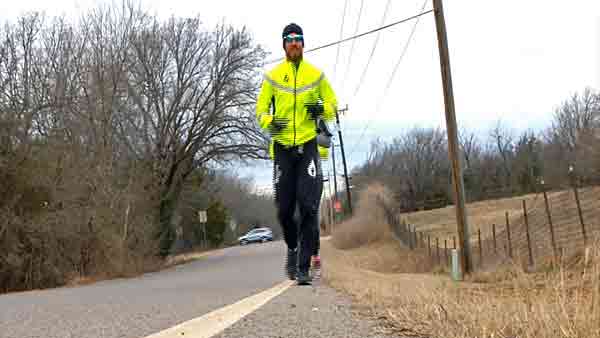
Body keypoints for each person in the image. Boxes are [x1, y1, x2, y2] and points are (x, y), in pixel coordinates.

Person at [256, 23, 337, 285]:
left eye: (298, 39)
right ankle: (292, 247)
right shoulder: (272, 76)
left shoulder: (316, 75)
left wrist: (321, 108)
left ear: (304, 43)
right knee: (284, 210)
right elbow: (259, 112)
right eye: (289, 39)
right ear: (283, 45)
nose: (294, 43)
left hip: (307, 147)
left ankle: (304, 268)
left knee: (309, 207)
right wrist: (270, 121)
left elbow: (332, 105)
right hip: (282, 149)